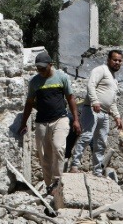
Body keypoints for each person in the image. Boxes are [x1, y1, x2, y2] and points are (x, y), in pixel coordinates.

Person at [18, 51, 81, 192]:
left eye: (43, 68)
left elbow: (71, 98)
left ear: (50, 65)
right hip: (42, 122)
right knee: (44, 155)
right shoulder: (34, 82)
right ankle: (48, 186)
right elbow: (29, 103)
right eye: (38, 69)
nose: (40, 71)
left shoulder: (62, 77)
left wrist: (76, 120)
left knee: (59, 147)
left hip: (60, 119)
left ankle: (57, 181)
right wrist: (23, 123)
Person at [70, 50, 123, 176]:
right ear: (108, 60)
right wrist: (95, 101)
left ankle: (97, 170)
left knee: (101, 142)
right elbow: (91, 85)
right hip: (92, 109)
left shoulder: (114, 79)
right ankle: (75, 165)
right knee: (86, 136)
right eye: (115, 60)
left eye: (120, 61)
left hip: (105, 114)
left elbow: (113, 101)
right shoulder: (101, 70)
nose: (117, 62)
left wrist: (117, 116)